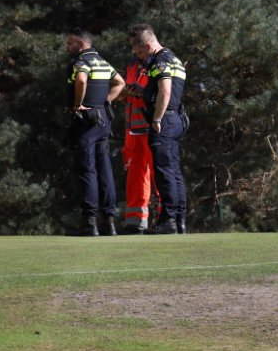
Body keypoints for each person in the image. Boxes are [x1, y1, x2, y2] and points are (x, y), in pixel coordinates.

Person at [127, 22, 188, 234]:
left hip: (165, 121)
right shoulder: (174, 59)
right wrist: (143, 91)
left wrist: (157, 119)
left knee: (164, 172)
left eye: (139, 53)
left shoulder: (159, 60)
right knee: (175, 171)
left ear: (146, 46)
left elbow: (165, 91)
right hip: (176, 120)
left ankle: (168, 219)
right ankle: (179, 219)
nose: (139, 58)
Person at [64, 30, 125, 236]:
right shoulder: (102, 62)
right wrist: (106, 101)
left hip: (86, 122)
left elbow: (81, 80)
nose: (67, 48)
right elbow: (120, 83)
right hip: (103, 121)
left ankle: (90, 224)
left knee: (87, 170)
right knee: (105, 169)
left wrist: (77, 104)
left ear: (80, 43)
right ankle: (110, 222)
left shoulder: (81, 61)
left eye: (70, 43)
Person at [118, 52, 160, 234]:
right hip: (133, 130)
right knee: (135, 176)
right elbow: (127, 97)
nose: (134, 49)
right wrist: (124, 93)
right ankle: (136, 223)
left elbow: (162, 92)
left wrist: (141, 92)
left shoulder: (158, 63)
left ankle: (164, 218)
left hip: (151, 127)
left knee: (160, 175)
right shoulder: (132, 66)